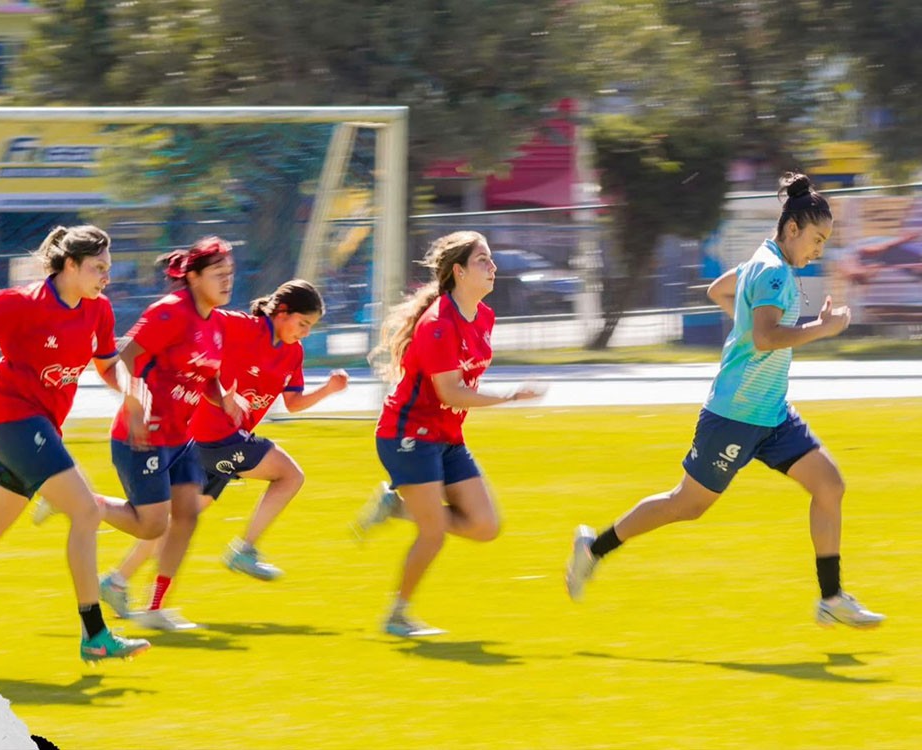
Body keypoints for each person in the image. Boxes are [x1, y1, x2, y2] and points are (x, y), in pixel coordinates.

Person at [565, 172, 885, 630]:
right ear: (792, 229)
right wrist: (822, 328)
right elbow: (767, 335)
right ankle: (592, 548)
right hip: (733, 416)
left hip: (772, 413)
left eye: (826, 241)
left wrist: (745, 334)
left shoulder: (764, 258)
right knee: (686, 505)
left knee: (829, 485)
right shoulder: (774, 271)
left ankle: (831, 598)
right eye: (817, 239)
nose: (819, 251)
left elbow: (720, 291)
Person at [0, 225, 150, 662]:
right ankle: (95, 635)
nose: (107, 276)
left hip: (41, 427)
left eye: (108, 267)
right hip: (10, 419)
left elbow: (106, 366)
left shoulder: (98, 310)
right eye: (98, 268)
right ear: (69, 266)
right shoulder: (20, 304)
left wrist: (132, 390)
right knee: (86, 509)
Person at [97, 279, 348, 600]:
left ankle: (117, 582)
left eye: (310, 326)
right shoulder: (243, 326)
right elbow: (198, 318)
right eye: (303, 323)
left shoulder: (293, 354)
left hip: (225, 443)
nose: (305, 332)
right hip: (211, 437)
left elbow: (294, 402)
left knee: (176, 520)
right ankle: (244, 549)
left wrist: (328, 389)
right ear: (281, 312)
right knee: (290, 475)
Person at [37, 236, 240, 632]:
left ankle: (155, 608)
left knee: (187, 517)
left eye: (230, 274)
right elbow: (124, 360)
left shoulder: (216, 323)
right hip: (142, 437)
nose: (227, 281)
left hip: (181, 439)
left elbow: (205, 377)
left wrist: (225, 399)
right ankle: (74, 499)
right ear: (194, 277)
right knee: (152, 525)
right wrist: (135, 406)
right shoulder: (169, 312)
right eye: (219, 274)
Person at [357, 230, 543, 637]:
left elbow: (459, 392)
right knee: (434, 532)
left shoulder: (485, 317)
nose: (493, 266)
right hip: (408, 434)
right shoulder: (439, 322)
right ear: (458, 271)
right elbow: (450, 390)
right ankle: (397, 616)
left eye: (491, 258)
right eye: (482, 260)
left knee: (484, 526)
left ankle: (396, 507)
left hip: (446, 435)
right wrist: (510, 397)